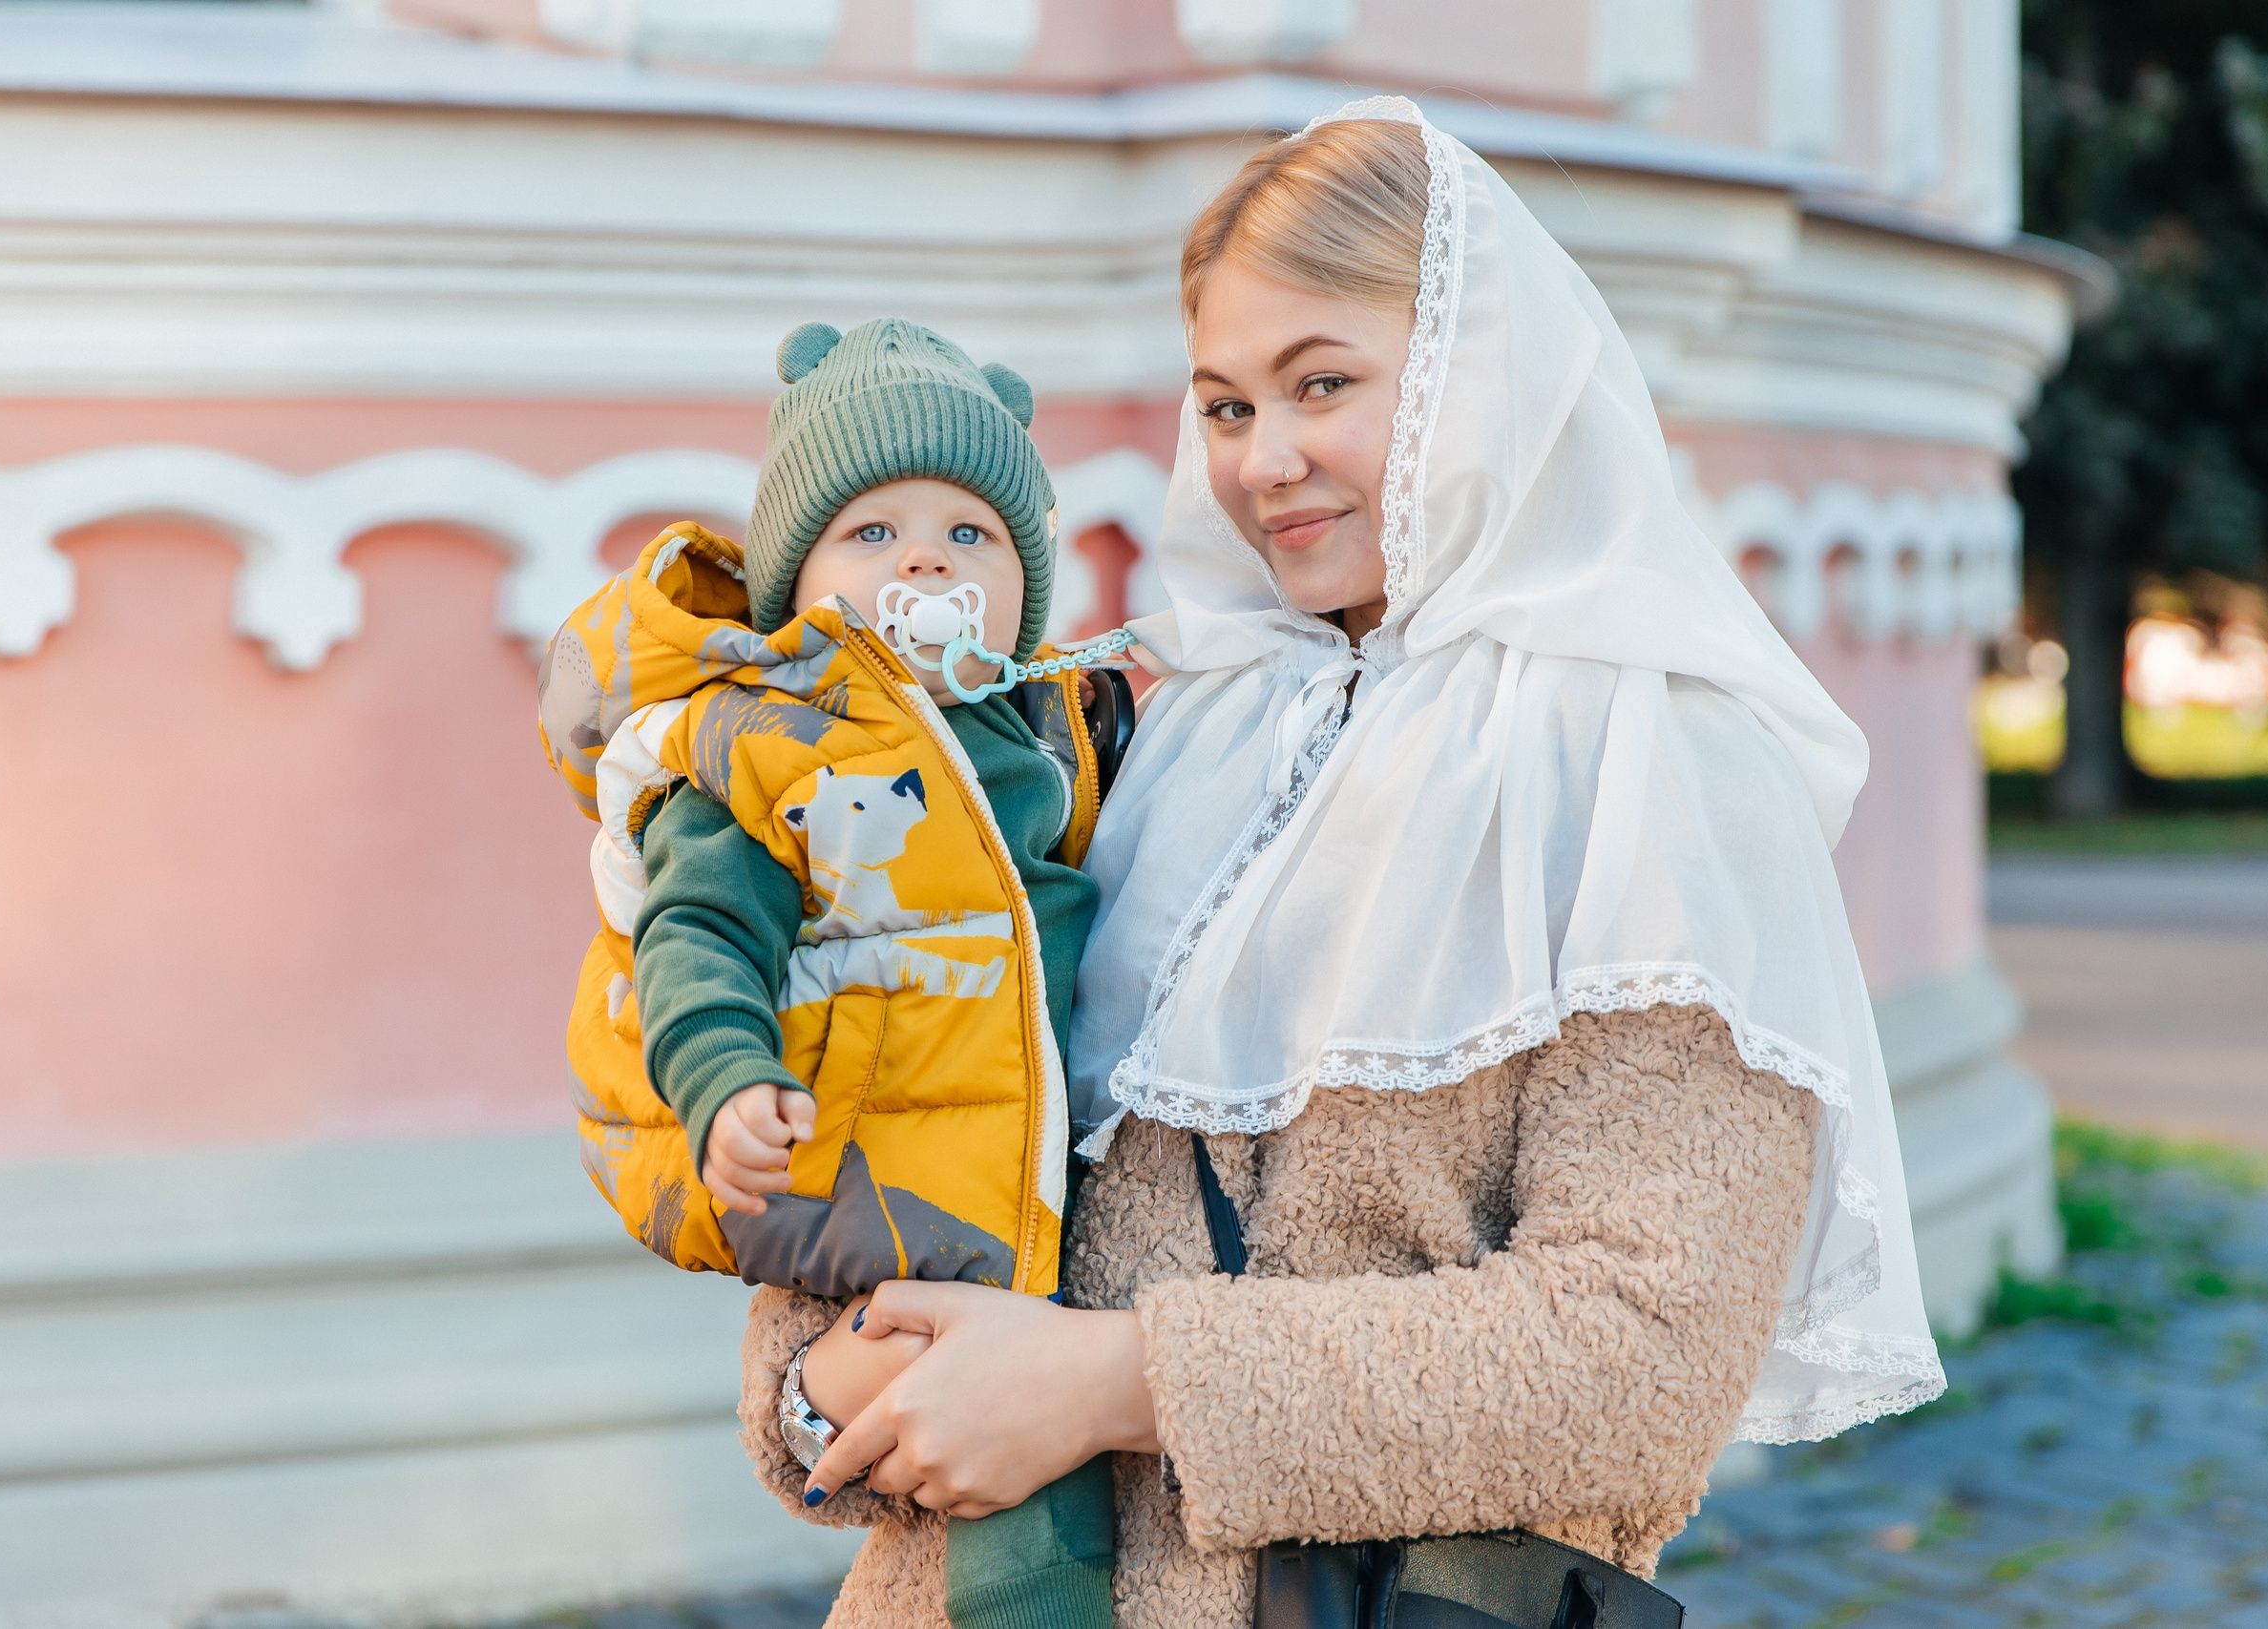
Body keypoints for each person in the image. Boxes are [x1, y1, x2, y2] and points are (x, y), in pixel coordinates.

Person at [732, 101, 1947, 1629]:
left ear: (1473, 381)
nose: (1268, 461)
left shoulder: (1654, 763)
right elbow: (923, 1092)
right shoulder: (1161, 734)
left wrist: (1118, 1384)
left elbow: (1643, 1353)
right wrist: (816, 1379)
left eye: (1326, 384)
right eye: (1227, 406)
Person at [536, 318, 1127, 1629]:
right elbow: (697, 937)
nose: (924, 557)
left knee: (1049, 1464)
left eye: (970, 535)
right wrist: (726, 1084)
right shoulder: (770, 746)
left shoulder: (1046, 737)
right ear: (793, 586)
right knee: (1029, 1525)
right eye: (872, 535)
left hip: (1037, 1169)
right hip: (901, 1195)